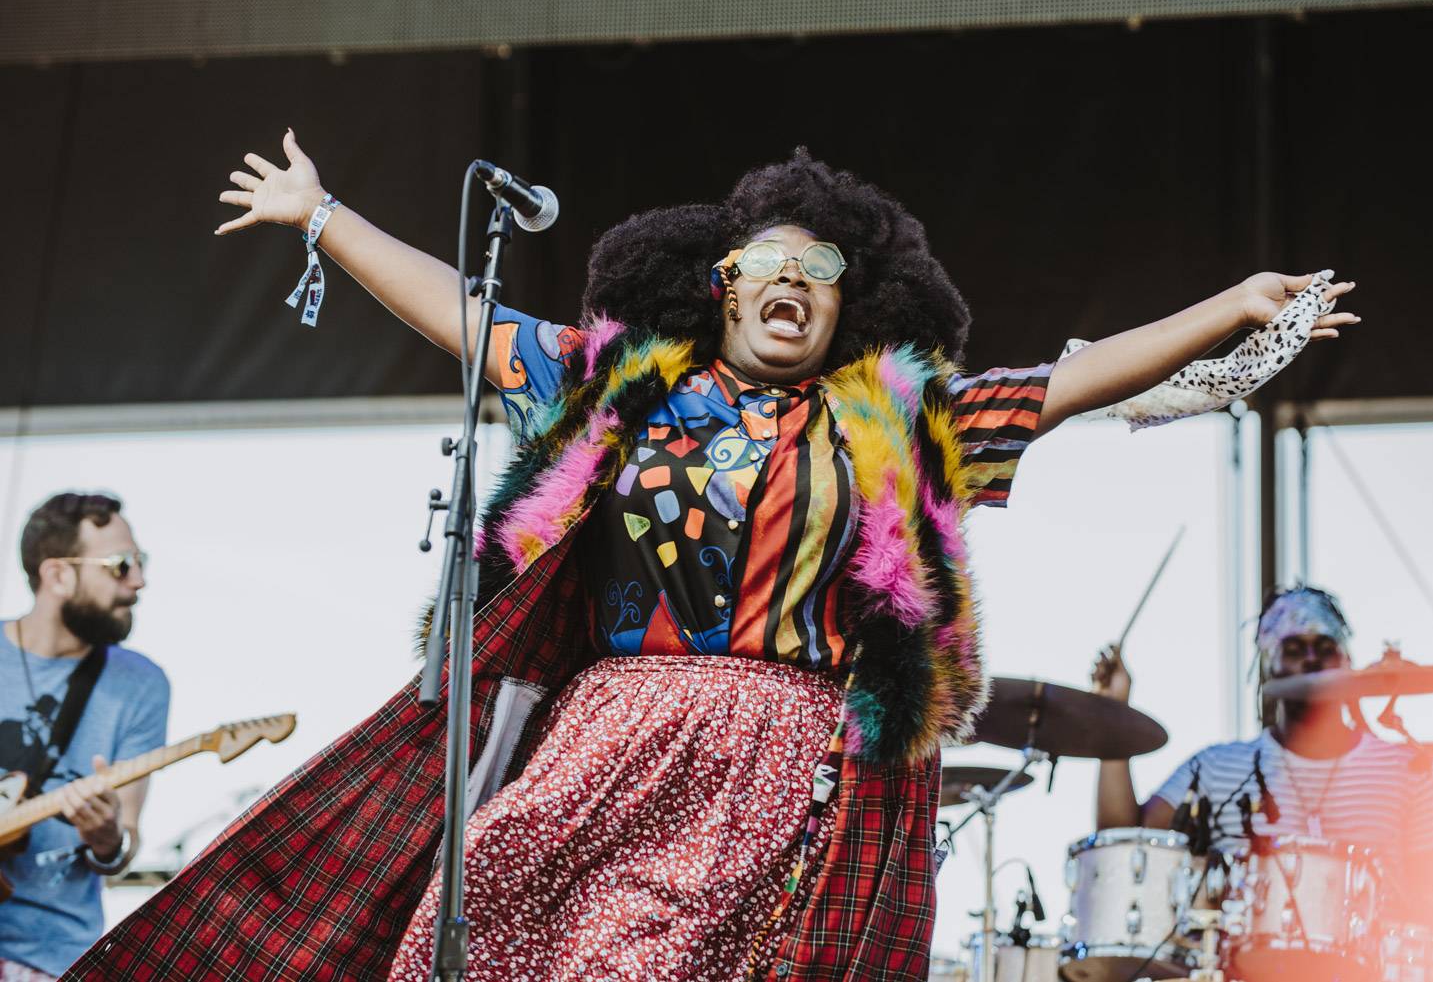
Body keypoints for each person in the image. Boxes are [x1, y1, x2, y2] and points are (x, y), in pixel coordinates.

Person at [66, 133, 1356, 982]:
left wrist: (1230, 309)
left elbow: (1066, 383)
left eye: (824, 271)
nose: (795, 281)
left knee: (656, 955)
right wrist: (325, 215)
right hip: (606, 728)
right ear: (722, 284)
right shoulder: (620, 387)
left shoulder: (894, 421)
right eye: (769, 265)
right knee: (483, 918)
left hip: (782, 748)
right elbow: (470, 321)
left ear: (851, 306)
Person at [1091, 585, 1433, 913]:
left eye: (1325, 649)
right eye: (1293, 649)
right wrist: (1110, 715)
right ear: (1268, 666)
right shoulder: (1217, 766)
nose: (1310, 660)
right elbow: (1121, 842)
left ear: (1346, 662)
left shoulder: (1405, 769)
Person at [0, 493, 169, 982]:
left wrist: (107, 837)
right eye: (120, 565)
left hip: (53, 959)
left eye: (140, 562)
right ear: (57, 575)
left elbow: (124, 845)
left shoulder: (141, 684)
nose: (138, 581)